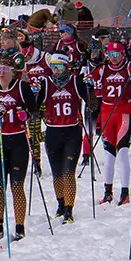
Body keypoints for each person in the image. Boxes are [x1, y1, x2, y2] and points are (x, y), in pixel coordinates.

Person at [0, 57, 36, 243]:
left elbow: (34, 110)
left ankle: (19, 227)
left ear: (13, 70)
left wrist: (26, 114)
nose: (2, 72)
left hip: (18, 140)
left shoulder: (22, 87)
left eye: (6, 68)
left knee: (16, 185)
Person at [34, 53, 87, 223]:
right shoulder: (47, 83)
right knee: (57, 172)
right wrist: (31, 96)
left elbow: (92, 103)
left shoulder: (75, 81)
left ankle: (69, 210)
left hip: (72, 131)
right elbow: (35, 107)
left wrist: (91, 90)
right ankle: (60, 204)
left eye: (59, 66)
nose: (56, 70)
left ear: (66, 66)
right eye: (53, 66)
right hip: (53, 132)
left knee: (68, 172)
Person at [92, 40, 131, 206]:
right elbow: (90, 81)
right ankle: (108, 192)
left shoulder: (128, 68)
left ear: (122, 54)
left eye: (117, 54)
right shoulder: (103, 69)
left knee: (123, 152)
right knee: (109, 155)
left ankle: (124, 192)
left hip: (124, 113)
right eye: (110, 54)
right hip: (107, 113)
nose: (113, 58)